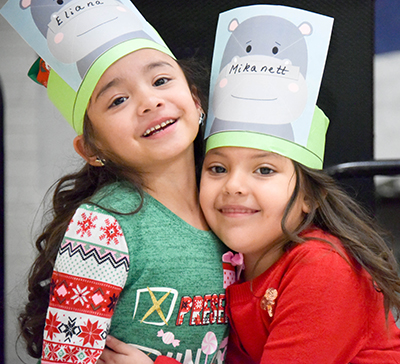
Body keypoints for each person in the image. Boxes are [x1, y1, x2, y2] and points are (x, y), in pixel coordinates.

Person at [1, 1, 228, 363]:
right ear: (91, 148)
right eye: (118, 100)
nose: (149, 101)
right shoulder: (102, 226)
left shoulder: (229, 206)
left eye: (161, 80)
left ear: (195, 100)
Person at [198, 4, 400, 363]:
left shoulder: (323, 267)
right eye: (217, 168)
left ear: (308, 197)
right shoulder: (231, 263)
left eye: (263, 170)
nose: (234, 186)